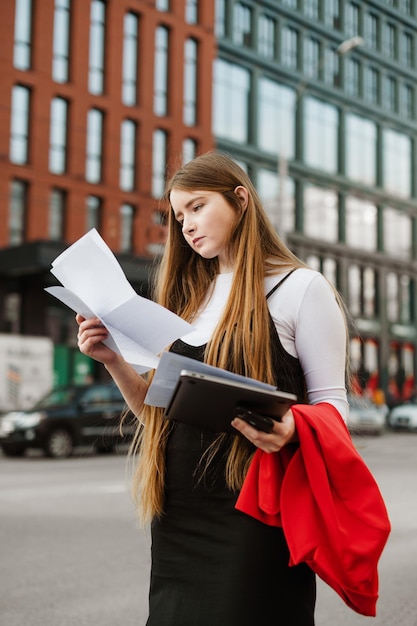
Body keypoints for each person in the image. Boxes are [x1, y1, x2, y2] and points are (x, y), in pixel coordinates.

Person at [76, 151, 350, 625]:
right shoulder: (188, 301)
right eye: (179, 216)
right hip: (178, 515)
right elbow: (164, 415)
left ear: (240, 200)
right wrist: (114, 361)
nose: (186, 225)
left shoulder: (301, 288)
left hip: (255, 514)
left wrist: (291, 431)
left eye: (198, 207)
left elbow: (333, 404)